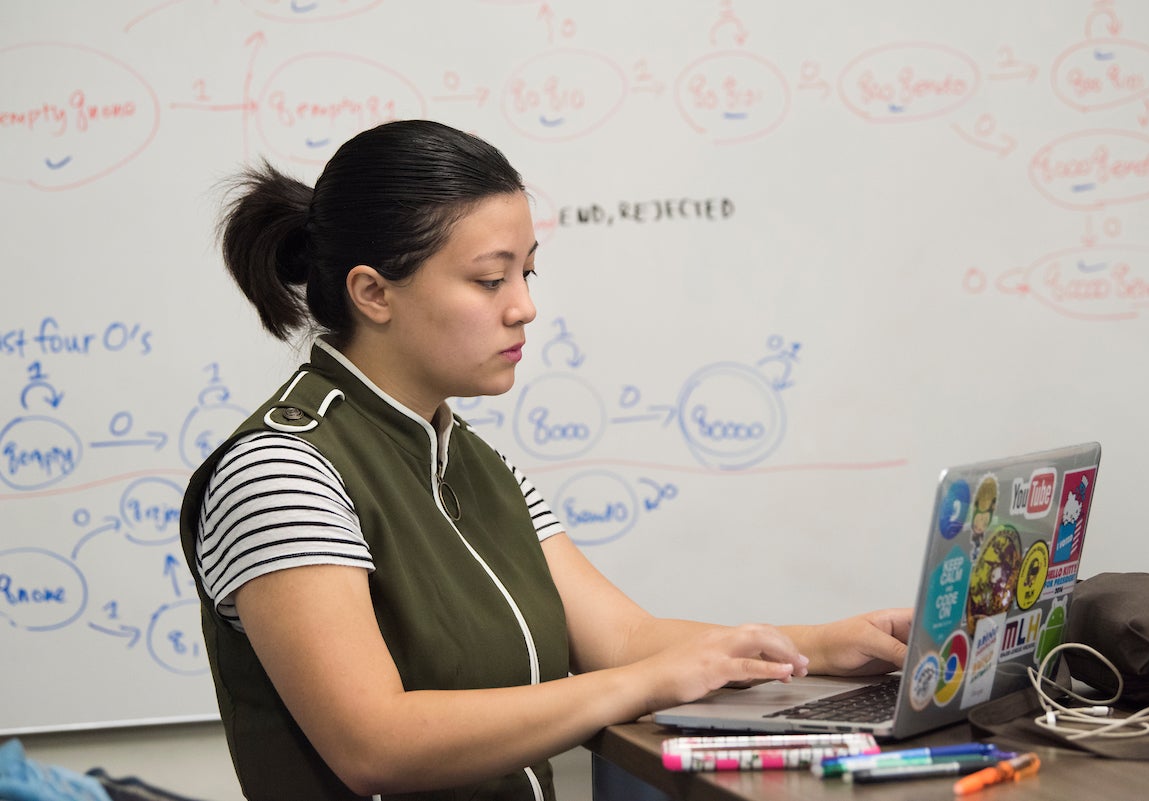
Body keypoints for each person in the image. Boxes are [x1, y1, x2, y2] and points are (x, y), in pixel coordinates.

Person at [179, 119, 912, 801]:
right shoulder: (281, 471)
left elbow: (622, 638)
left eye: (528, 272)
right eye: (490, 279)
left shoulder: (472, 461)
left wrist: (822, 646)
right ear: (373, 292)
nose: (524, 305)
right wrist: (644, 683)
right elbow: (375, 741)